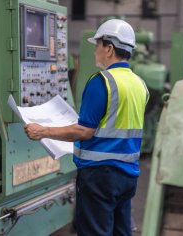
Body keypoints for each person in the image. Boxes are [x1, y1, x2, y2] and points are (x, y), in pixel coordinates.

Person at [24, 19, 149, 236]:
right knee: (121, 231)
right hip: (128, 174)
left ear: (109, 48)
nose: (94, 52)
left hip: (101, 175)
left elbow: (84, 131)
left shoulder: (102, 82)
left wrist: (43, 131)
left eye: (97, 45)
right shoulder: (140, 84)